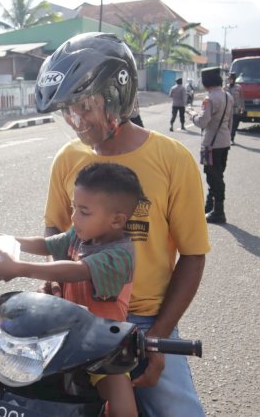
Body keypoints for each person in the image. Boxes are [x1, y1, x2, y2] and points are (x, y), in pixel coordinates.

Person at [34, 32, 210, 417]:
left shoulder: (172, 160)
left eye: (85, 106)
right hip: (78, 315)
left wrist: (158, 338)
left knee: (179, 412)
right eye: (68, 110)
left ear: (117, 96)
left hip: (145, 320)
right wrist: (51, 274)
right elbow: (54, 229)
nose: (76, 121)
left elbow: (193, 256)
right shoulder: (68, 159)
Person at [0, 162, 145, 417]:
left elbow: (75, 270)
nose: (73, 217)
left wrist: (19, 268)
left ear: (116, 220)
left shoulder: (119, 255)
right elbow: (47, 244)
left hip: (102, 348)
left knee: (122, 404)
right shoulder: (80, 235)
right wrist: (8, 240)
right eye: (74, 207)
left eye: (83, 211)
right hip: (64, 340)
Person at [188, 67, 233, 224]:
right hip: (224, 141)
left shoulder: (209, 99)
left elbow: (202, 122)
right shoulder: (228, 96)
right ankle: (209, 205)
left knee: (213, 176)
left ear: (206, 83)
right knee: (217, 174)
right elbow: (230, 121)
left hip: (211, 144)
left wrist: (192, 115)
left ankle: (219, 211)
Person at [227, 71, 245, 144]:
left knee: (234, 125)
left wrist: (242, 107)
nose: (229, 80)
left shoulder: (239, 87)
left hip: (236, 109)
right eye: (229, 78)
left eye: (231, 78)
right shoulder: (225, 87)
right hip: (227, 109)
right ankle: (228, 138)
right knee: (227, 124)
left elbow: (241, 97)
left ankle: (232, 138)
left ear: (234, 79)